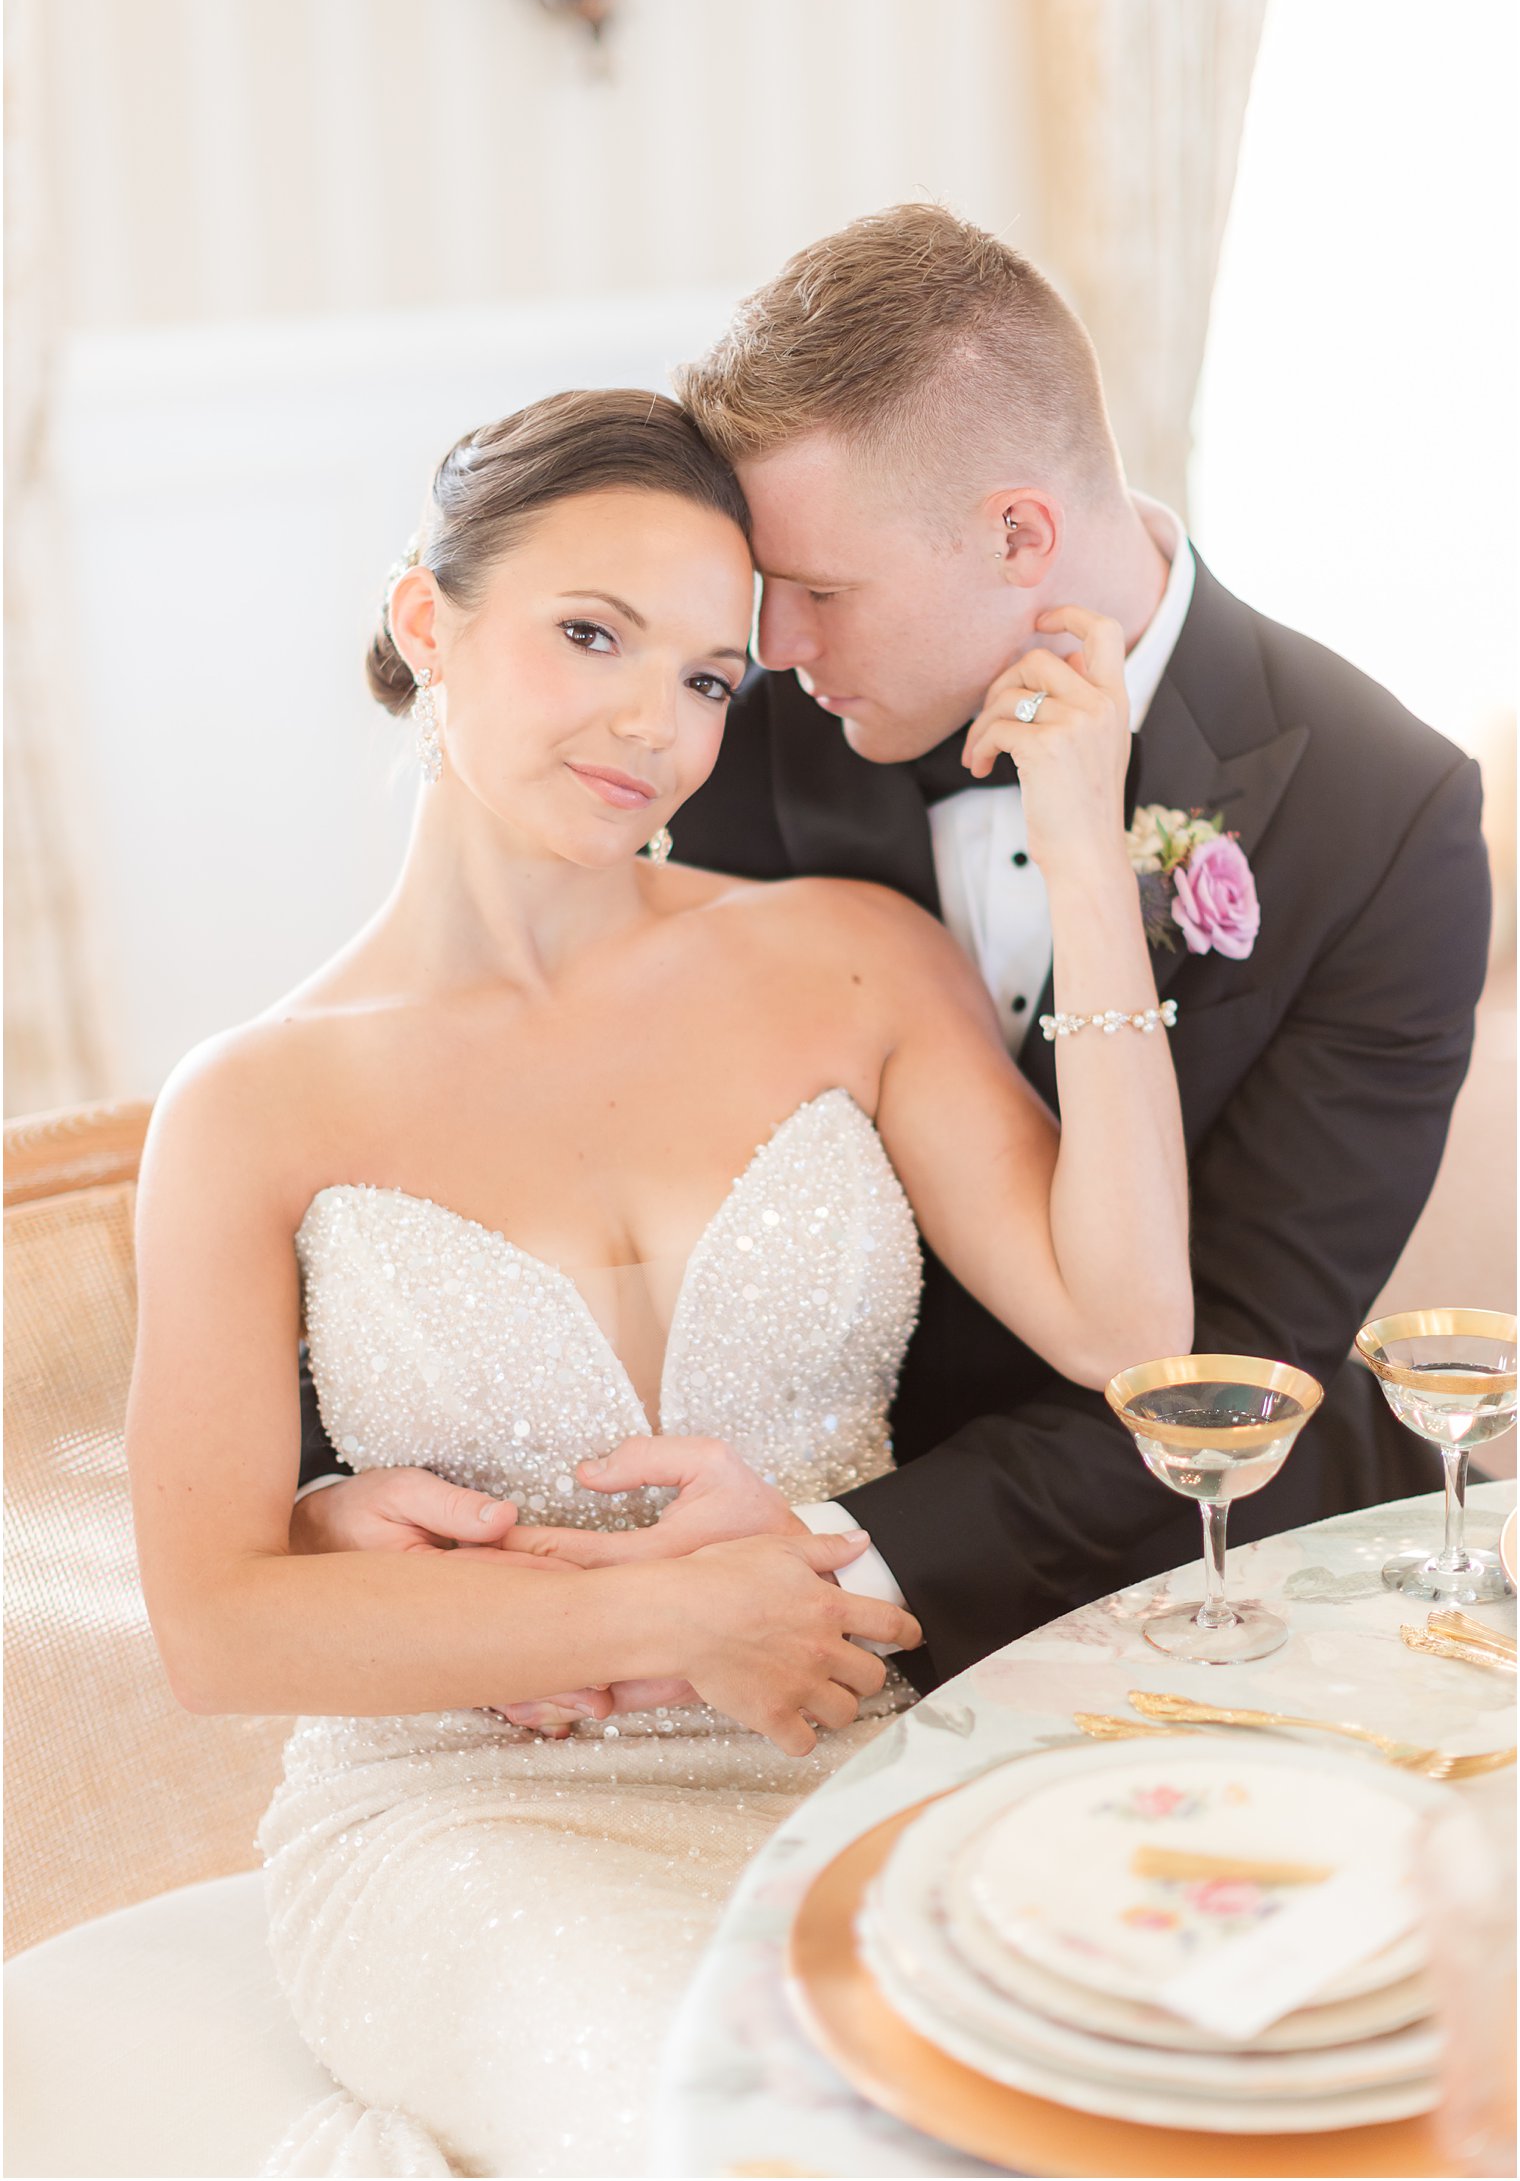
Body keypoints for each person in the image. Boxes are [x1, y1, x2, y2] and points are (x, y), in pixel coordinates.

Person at [127, 386, 1193, 2176]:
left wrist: (1085, 854)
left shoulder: (850, 961)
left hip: (853, 1754)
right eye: (590, 635)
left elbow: (1130, 1326)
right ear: (427, 623)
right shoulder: (251, 1103)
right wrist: (676, 1611)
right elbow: (216, 1625)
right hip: (469, 1819)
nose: (655, 722)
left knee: (1091, 2102)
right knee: (733, 2125)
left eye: (710, 675)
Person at [297, 204, 1488, 1709]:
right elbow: (477, 1056)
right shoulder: (718, 700)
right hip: (695, 1614)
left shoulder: (1392, 817)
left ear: (1017, 535)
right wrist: (322, 1492)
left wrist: (824, 1557)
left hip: (1210, 1579)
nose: (765, 643)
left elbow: (1230, 1372)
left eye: (821, 592)